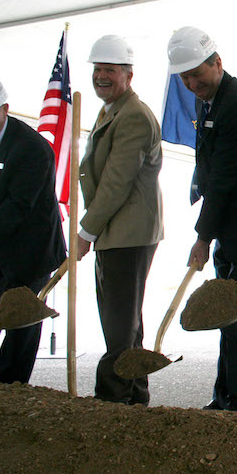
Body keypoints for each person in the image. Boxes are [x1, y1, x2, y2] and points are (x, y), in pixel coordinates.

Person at [167, 26, 237, 412]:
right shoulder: (208, 101)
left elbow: (225, 180)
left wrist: (201, 237)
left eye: (198, 73)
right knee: (225, 316)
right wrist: (210, 233)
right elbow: (210, 171)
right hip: (229, 229)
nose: (193, 83)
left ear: (218, 62)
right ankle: (224, 397)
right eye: (185, 78)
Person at [77, 35, 164, 405]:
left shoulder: (133, 117)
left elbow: (116, 182)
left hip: (128, 234)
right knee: (128, 321)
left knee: (119, 325)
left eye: (109, 70)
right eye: (97, 69)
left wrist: (85, 230)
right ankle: (135, 396)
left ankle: (111, 402)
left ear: (128, 74)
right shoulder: (112, 109)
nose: (101, 77)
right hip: (117, 232)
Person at [0, 71, 66, 384]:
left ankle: (11, 392)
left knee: (20, 326)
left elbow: (17, 207)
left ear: (5, 108)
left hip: (30, 251)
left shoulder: (32, 149)